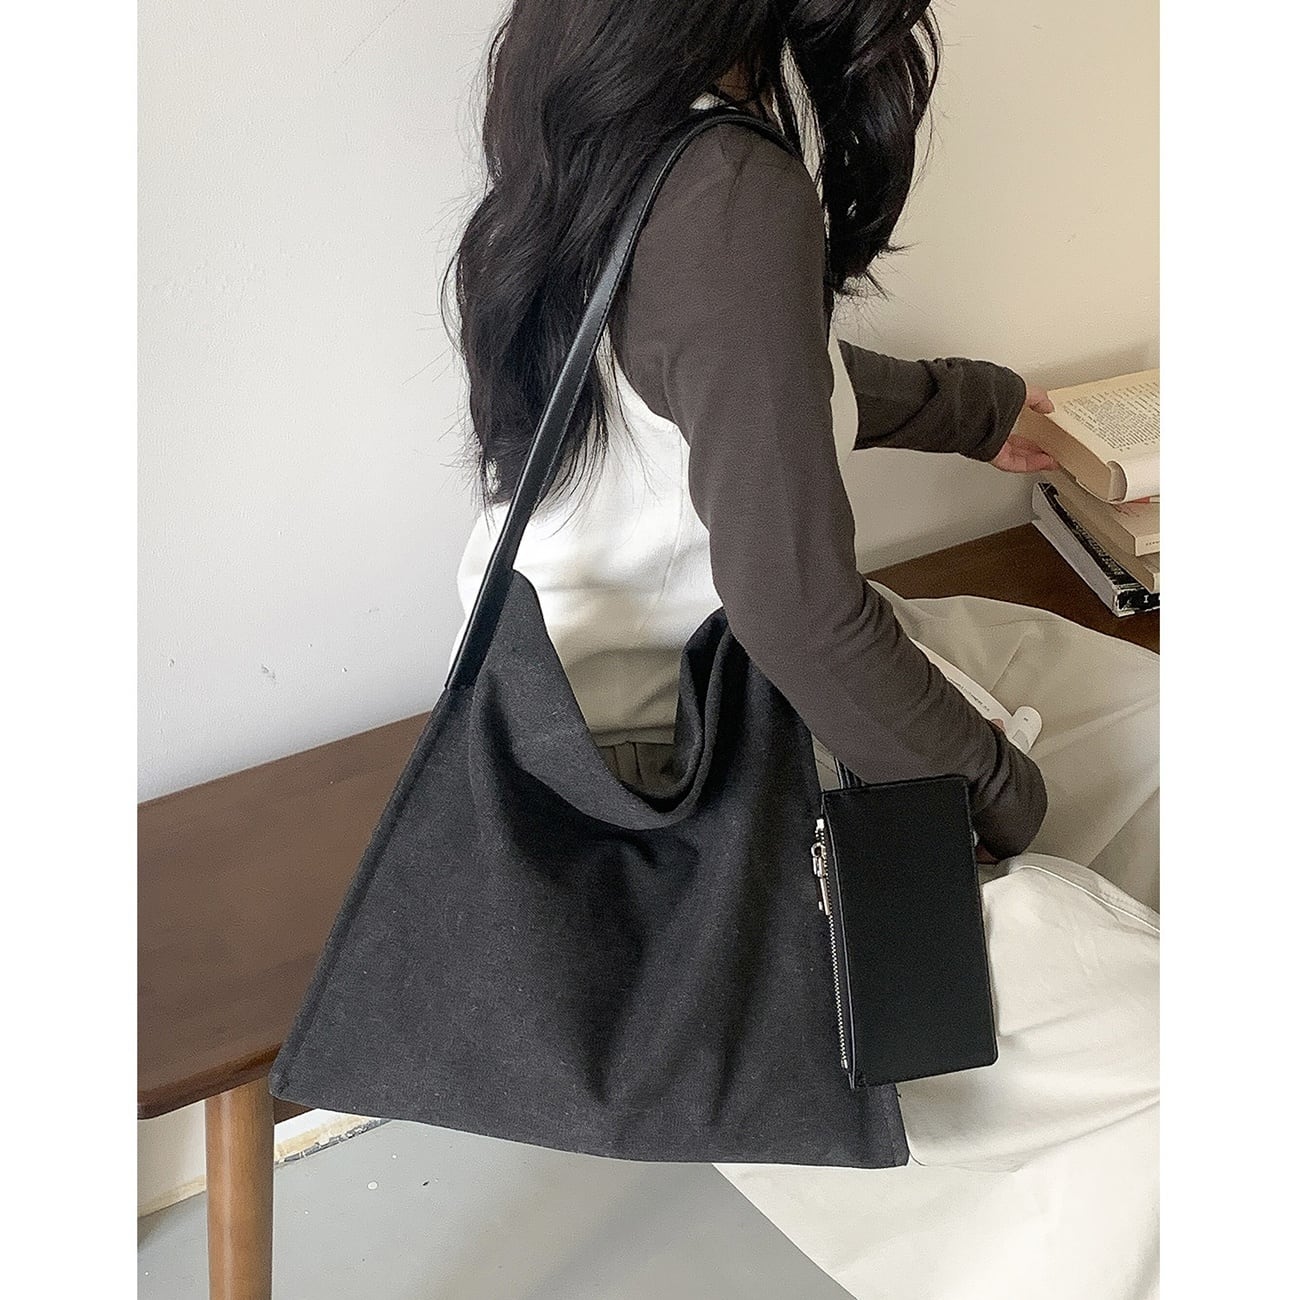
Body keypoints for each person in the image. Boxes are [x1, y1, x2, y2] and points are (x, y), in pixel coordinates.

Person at [444, 4, 1158, 1291]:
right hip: (702, 770)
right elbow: (795, 611)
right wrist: (997, 798)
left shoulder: (592, 104)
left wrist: (973, 409)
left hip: (600, 698)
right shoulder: (726, 188)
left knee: (1149, 726)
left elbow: (741, 364)